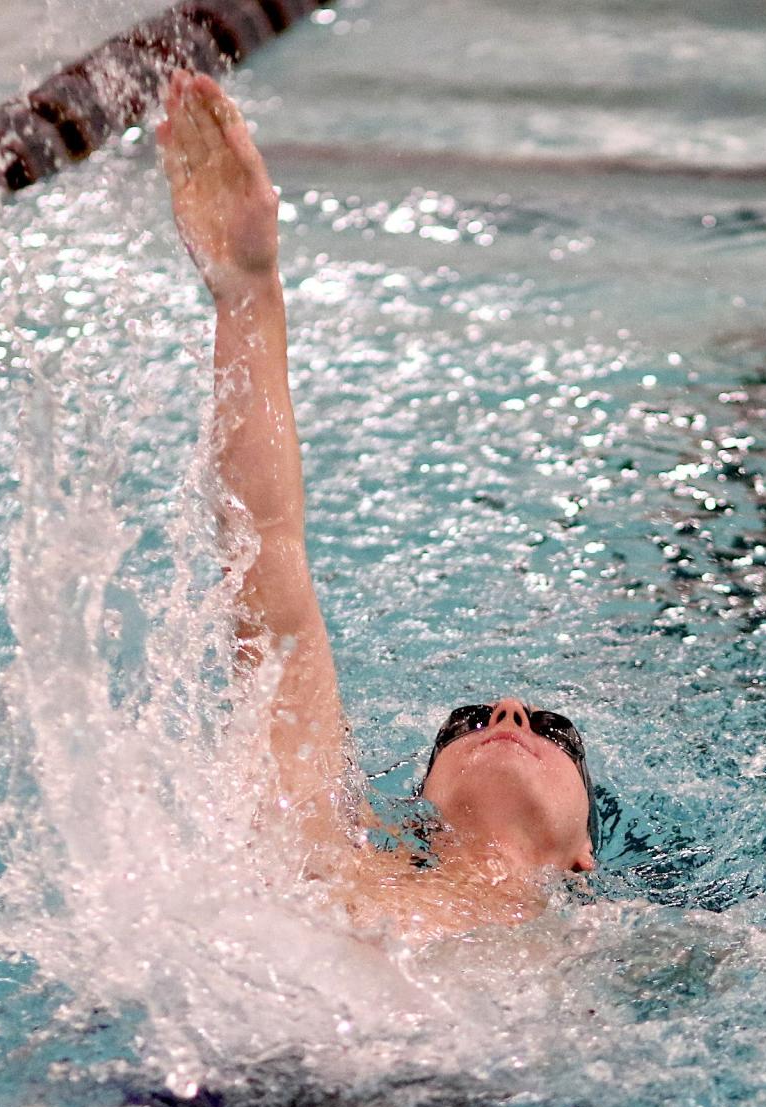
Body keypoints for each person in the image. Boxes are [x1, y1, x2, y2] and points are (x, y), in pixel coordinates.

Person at [156, 71, 600, 939]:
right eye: (468, 722)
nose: (507, 716)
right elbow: (269, 550)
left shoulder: (649, 963)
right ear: (419, 804)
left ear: (585, 849)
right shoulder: (329, 864)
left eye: (552, 729)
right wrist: (249, 290)